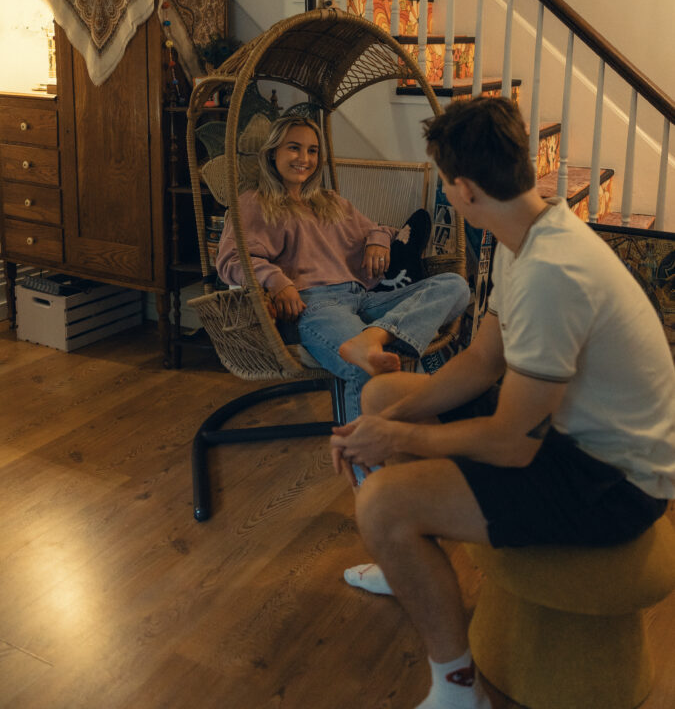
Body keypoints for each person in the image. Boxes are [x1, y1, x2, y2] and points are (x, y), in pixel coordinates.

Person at [330, 96, 675, 709]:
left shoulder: (552, 271)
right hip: (571, 438)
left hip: (615, 483)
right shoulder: (528, 234)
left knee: (382, 505)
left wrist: (395, 440)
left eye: (441, 180)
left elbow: (515, 446)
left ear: (462, 190)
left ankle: (459, 692)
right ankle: (404, 557)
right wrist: (385, 420)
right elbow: (481, 361)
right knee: (385, 394)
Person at [215, 115, 470, 424]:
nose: (304, 158)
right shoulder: (255, 202)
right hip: (314, 305)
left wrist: (377, 241)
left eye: (312, 151)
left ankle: (375, 337)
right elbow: (231, 260)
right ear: (273, 154)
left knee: (453, 286)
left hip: (364, 299)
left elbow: (382, 229)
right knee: (365, 369)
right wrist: (277, 280)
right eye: (294, 148)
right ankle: (369, 469)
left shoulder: (330, 201)